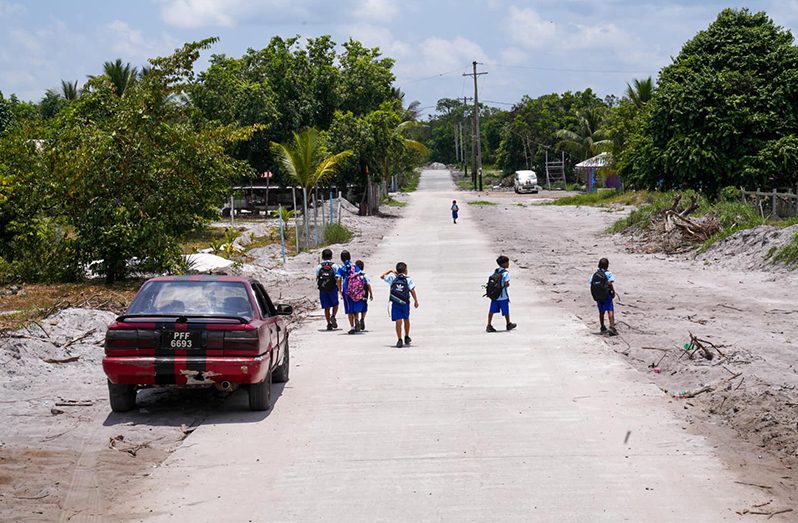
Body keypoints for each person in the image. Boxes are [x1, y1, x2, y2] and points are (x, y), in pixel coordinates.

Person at [380, 262, 419, 348]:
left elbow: (382, 276)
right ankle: (407, 336)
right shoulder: (408, 279)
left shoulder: (392, 278)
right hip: (405, 303)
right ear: (405, 270)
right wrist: (416, 301)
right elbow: (412, 290)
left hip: (395, 303)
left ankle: (399, 339)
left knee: (398, 321)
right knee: (406, 319)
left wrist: (390, 271)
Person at [486, 255, 517, 332]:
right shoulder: (505, 273)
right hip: (503, 296)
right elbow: (506, 283)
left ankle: (489, 325)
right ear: (503, 264)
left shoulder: (496, 271)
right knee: (506, 311)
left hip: (495, 296)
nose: (508, 264)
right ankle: (508, 324)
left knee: (491, 310)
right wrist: (507, 285)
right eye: (507, 262)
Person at [589, 257, 617, 336]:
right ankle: (612, 327)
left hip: (598, 295)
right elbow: (610, 283)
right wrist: (613, 292)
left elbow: (591, 282)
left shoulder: (595, 275)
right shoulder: (608, 274)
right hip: (607, 295)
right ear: (607, 266)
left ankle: (602, 326)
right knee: (610, 310)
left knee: (601, 311)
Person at [338, 250, 363, 334]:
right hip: (355, 288)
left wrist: (340, 290)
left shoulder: (341, 268)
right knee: (355, 304)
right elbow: (360, 275)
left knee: (349, 309)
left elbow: (338, 279)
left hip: (346, 288)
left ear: (341, 258)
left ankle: (352, 327)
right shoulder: (354, 265)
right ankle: (356, 318)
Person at [315, 249, 340, 331]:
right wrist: (340, 289)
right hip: (333, 288)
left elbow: (317, 277)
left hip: (323, 289)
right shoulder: (334, 266)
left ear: (322, 257)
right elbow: (338, 277)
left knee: (326, 307)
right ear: (331, 256)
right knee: (335, 304)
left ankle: (328, 323)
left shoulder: (319, 266)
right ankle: (333, 316)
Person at [354, 260, 373, 331]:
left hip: (355, 294)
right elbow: (368, 285)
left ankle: (356, 319)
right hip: (364, 294)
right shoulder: (365, 275)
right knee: (364, 307)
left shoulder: (354, 275)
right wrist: (371, 294)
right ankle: (362, 318)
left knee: (355, 307)